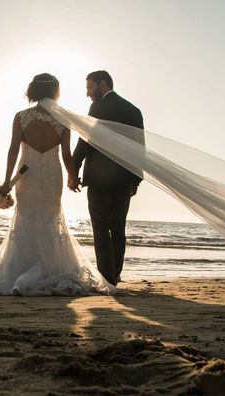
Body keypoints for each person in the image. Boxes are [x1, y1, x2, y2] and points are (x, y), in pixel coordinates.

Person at [0, 73, 114, 296]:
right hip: (51, 174)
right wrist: (72, 176)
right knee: (49, 217)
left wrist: (7, 180)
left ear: (34, 91)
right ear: (55, 92)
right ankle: (48, 269)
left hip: (26, 174)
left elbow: (13, 150)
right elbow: (67, 155)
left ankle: (20, 271)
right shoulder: (62, 121)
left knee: (26, 216)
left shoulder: (21, 117)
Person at [70, 70, 144, 286]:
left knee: (100, 226)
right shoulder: (134, 111)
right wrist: (135, 179)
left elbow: (86, 140)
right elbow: (140, 148)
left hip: (99, 178)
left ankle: (106, 277)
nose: (87, 94)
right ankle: (115, 274)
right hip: (123, 179)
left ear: (102, 85)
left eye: (90, 87)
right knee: (119, 227)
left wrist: (73, 169)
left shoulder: (98, 107)